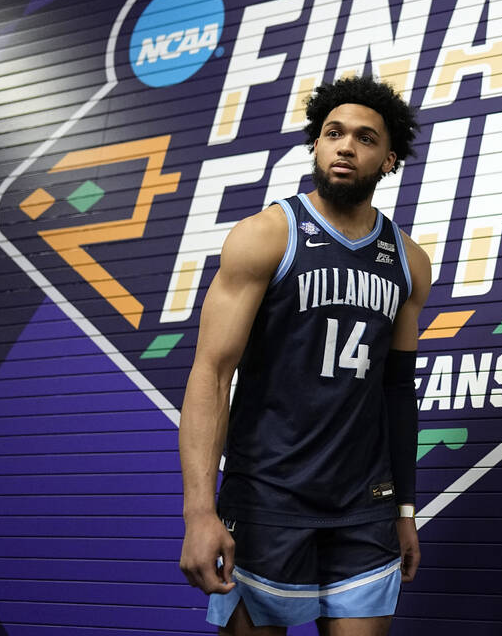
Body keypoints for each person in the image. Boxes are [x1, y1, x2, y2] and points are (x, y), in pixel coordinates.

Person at [178, 75, 431, 635]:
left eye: (365, 139)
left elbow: (396, 391)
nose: (346, 146)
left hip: (364, 510)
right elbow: (213, 375)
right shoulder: (265, 236)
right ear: (316, 144)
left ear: (389, 160)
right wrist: (200, 512)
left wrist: (405, 511)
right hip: (268, 501)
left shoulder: (408, 261)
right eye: (333, 133)